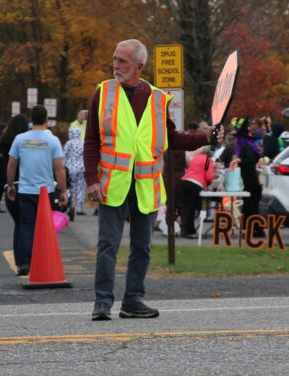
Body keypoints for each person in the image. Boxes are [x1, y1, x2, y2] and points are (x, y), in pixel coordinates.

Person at [83, 39, 221, 321]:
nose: (115, 65)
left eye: (121, 61)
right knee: (108, 243)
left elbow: (173, 138)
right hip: (113, 183)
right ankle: (102, 302)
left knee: (142, 246)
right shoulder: (103, 93)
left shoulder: (158, 98)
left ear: (139, 66)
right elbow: (91, 141)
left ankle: (132, 300)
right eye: (114, 59)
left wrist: (205, 137)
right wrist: (90, 179)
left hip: (145, 184)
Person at [6, 105, 67, 276]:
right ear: (47, 120)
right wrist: (63, 191)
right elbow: (59, 169)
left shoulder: (20, 139)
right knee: (46, 228)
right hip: (46, 190)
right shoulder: (53, 140)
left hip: (25, 189)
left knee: (27, 226)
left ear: (31, 120)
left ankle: (25, 263)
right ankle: (44, 260)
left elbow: (11, 164)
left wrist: (10, 185)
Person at [0, 114, 30, 266]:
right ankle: (26, 260)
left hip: (9, 185)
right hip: (24, 185)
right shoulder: (24, 142)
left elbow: (7, 165)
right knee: (26, 225)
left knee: (18, 224)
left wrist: (8, 184)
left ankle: (19, 261)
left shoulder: (3, 142)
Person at [233, 117, 265, 237]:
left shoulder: (245, 146)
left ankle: (256, 229)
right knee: (250, 205)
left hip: (249, 179)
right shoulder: (249, 145)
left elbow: (251, 160)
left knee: (251, 205)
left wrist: (240, 159)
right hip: (250, 178)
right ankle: (253, 229)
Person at [180, 150, 220, 238]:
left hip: (185, 181)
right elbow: (209, 176)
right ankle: (190, 232)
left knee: (187, 208)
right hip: (196, 184)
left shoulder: (195, 158)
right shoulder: (208, 160)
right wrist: (215, 176)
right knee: (192, 208)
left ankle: (186, 229)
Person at [64, 127, 86, 219]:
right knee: (81, 187)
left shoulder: (68, 143)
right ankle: (80, 209)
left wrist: (63, 166)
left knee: (70, 187)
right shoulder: (83, 143)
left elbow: (64, 155)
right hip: (82, 167)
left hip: (70, 167)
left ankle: (70, 206)